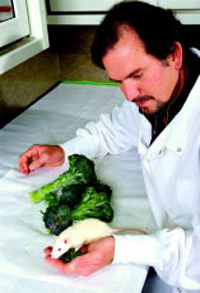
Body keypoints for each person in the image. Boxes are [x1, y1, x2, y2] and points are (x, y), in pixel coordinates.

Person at [18, 1, 200, 292]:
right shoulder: (157, 93)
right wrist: (63, 152)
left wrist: (120, 249)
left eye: (137, 75)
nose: (129, 95)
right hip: (167, 253)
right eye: (119, 81)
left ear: (173, 55)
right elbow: (112, 130)